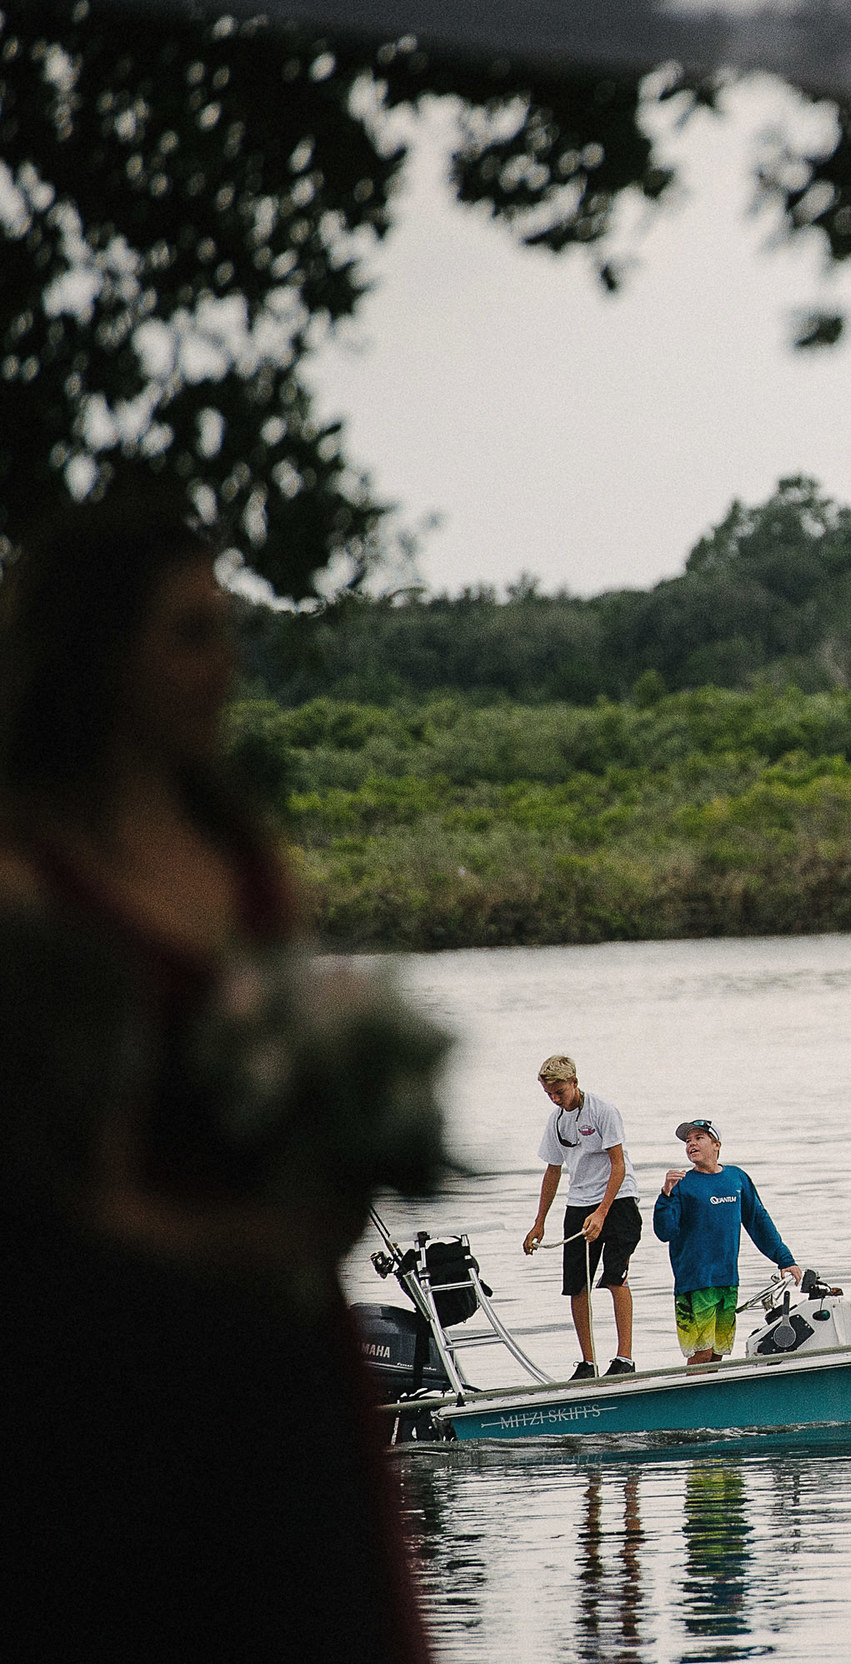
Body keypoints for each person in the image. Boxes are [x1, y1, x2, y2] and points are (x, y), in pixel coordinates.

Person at [1, 498, 433, 1660]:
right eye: (190, 633)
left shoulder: (239, 853)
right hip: (114, 1376)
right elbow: (43, 1196)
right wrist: (239, 1243)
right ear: (102, 653)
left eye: (226, 627)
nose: (225, 664)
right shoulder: (27, 882)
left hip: (282, 1357)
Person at [524, 1054, 644, 1378]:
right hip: (578, 1202)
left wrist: (602, 1213)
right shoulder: (556, 1121)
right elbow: (553, 1171)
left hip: (617, 1198)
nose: (555, 1099)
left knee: (615, 1276)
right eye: (549, 1094)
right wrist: (539, 1222)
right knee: (577, 1286)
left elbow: (617, 1165)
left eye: (559, 1092)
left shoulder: (603, 1110)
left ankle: (625, 1359)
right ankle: (588, 1363)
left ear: (574, 1082)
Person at [652, 1117, 802, 1364]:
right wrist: (665, 1195)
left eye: (699, 1138)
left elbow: (758, 1221)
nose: (691, 1144)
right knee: (701, 1353)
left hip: (727, 1280)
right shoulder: (682, 1184)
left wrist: (784, 1259)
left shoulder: (736, 1178)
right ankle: (692, 1401)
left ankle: (709, 1401)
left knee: (717, 1353)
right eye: (688, 1141)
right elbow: (664, 1232)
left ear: (716, 1145)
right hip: (695, 1283)